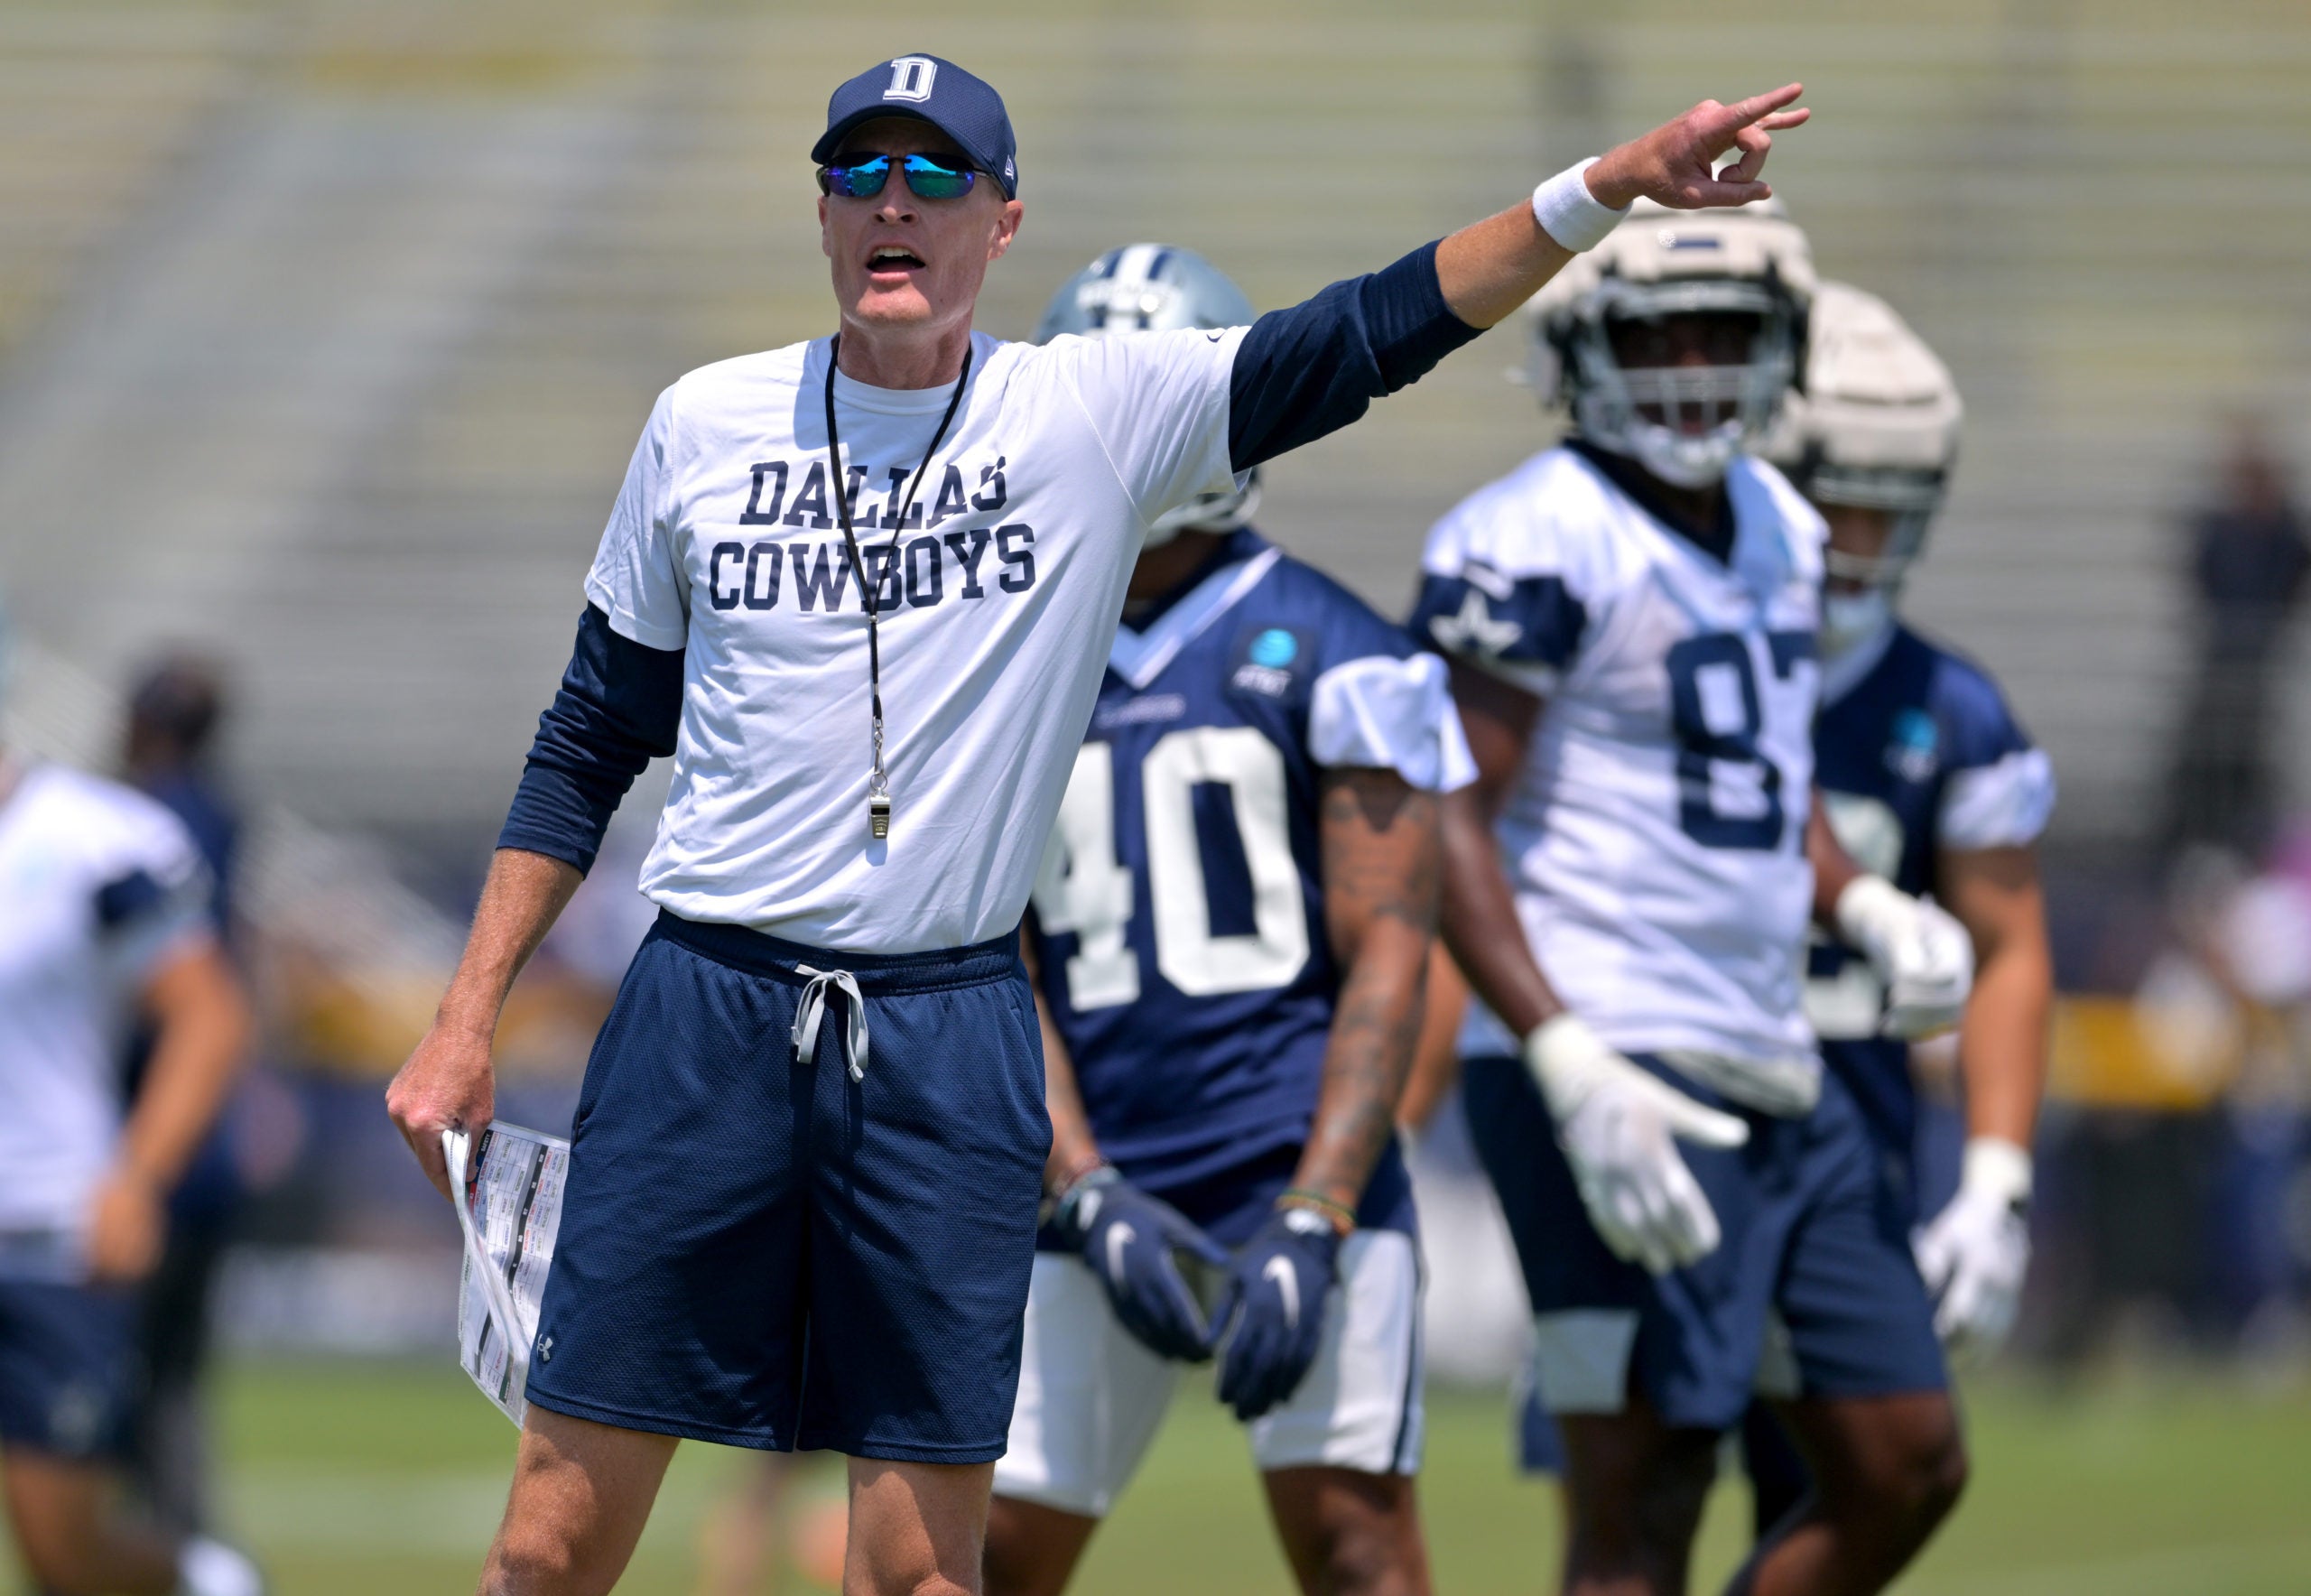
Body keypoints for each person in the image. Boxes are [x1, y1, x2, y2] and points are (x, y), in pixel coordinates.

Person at [381, 50, 1813, 1596]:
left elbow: (1380, 325)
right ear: (820, 209)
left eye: (937, 178)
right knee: (549, 1540)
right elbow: (589, 736)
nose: (895, 206)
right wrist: (466, 1019)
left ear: (1003, 222)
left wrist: (1601, 190)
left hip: (943, 1028)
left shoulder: (1093, 412)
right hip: (705, 1009)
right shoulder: (703, 423)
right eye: (860, 173)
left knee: (925, 1572)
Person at [1411, 201, 1975, 1596]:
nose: (1692, 366)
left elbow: (1758, 785)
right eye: (1659, 331)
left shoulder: (1779, 526)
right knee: (1642, 1490)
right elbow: (1443, 817)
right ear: (1582, 350)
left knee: (1908, 1457)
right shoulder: (1529, 537)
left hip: (1771, 1047)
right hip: (1609, 1050)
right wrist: (1562, 1054)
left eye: (1726, 333)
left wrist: (1862, 907)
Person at [982, 246, 1463, 1596]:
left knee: (1358, 1548)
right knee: (982, 1555)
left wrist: (1319, 1213)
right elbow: (981, 959)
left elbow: (1392, 957)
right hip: (1085, 1167)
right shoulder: (1007, 650)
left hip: (1288, 1163)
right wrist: (1080, 1188)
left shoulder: (1336, 648)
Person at [1736, 282, 2056, 1540]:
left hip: (1847, 1150)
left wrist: (1995, 1179)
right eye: (1839, 503)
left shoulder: (1951, 708)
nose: (1863, 538)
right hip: (1666, 1115)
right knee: (1635, 1498)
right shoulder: (1666, 656)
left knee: (1859, 1482)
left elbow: (2009, 946)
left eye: (1893, 507)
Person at [0, 605, 263, 1596]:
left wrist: (136, 1181)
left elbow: (209, 1014)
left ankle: (209, 1582)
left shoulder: (92, 839)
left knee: (64, 1552)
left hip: (47, 1234)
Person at [119, 654, 246, 1537]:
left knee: (121, 1377)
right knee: (174, 1376)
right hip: (205, 1141)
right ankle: (186, 1544)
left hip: (137, 1142)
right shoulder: (222, 821)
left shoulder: (134, 827)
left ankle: (169, 1552)